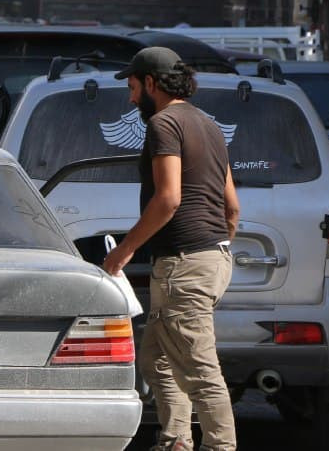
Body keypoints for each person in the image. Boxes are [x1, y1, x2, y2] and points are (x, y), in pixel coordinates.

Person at [102, 48, 239, 451]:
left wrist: (122, 252)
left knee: (200, 369)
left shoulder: (164, 124)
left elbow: (168, 199)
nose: (130, 100)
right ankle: (176, 440)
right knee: (156, 360)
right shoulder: (209, 126)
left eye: (132, 88)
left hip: (186, 264)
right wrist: (216, 248)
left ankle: (220, 446)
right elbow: (232, 206)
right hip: (211, 257)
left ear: (150, 83)